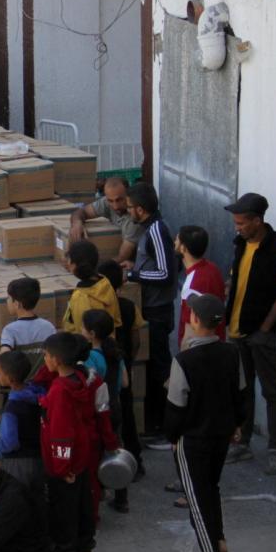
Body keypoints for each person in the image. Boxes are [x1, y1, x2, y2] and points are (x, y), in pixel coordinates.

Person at [166, 294, 247, 552]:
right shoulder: (231, 353)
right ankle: (219, 543)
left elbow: (176, 407)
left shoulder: (184, 361)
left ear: (194, 320)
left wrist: (172, 437)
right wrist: (238, 425)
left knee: (197, 501)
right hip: (221, 435)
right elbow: (240, 393)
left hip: (193, 439)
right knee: (210, 490)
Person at [223, 193, 276, 475]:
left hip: (262, 334)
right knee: (243, 389)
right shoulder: (241, 244)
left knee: (270, 390)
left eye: (241, 222)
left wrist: (266, 328)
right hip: (238, 330)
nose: (237, 227)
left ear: (257, 220)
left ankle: (275, 448)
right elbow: (237, 279)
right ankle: (243, 443)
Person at [38, 332, 98, 552]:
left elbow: (61, 434)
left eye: (46, 356)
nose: (44, 360)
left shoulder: (60, 392)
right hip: (82, 458)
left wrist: (63, 469)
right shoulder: (80, 380)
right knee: (84, 507)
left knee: (64, 512)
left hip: (65, 465)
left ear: (56, 360)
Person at [124, 182, 177, 438]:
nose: (127, 212)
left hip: (157, 311)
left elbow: (166, 273)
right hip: (151, 308)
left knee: (160, 368)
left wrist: (134, 274)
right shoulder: (149, 229)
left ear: (141, 210)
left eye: (130, 208)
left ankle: (165, 426)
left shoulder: (157, 230)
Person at [98, 259, 145, 507]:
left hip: (109, 377)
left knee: (109, 426)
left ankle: (110, 474)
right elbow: (136, 337)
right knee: (127, 418)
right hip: (122, 366)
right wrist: (129, 359)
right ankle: (135, 462)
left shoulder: (100, 310)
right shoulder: (127, 306)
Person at [80, 309, 124, 517]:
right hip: (116, 405)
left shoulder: (91, 358)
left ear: (91, 333)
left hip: (101, 408)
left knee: (98, 453)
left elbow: (90, 386)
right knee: (115, 450)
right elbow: (124, 382)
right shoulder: (114, 352)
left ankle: (99, 493)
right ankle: (121, 497)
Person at [0, 350, 45, 492]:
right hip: (39, 458)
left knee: (18, 500)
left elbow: (9, 443)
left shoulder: (12, 407)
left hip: (17, 463)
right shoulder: (38, 395)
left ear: (9, 378)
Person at [67, 176, 144, 267]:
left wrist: (86, 269)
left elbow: (122, 257)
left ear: (128, 194)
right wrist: (77, 223)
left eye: (119, 200)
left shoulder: (134, 220)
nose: (115, 206)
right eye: (110, 201)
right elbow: (81, 212)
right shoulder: (107, 202)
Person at [174, 225, 225, 348]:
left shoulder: (192, 284)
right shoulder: (213, 269)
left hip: (199, 354)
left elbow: (190, 331)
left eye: (177, 239)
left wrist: (182, 361)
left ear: (183, 248)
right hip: (218, 346)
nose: (174, 242)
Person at [0, 277, 56, 378]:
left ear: (17, 304)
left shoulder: (10, 330)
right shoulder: (48, 327)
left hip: (21, 386)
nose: (7, 301)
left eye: (9, 298)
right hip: (45, 384)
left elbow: (4, 355)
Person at [61, 240, 121, 332]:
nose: (68, 263)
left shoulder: (80, 296)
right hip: (109, 341)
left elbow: (82, 332)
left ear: (74, 265)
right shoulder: (105, 283)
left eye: (69, 259)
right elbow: (116, 321)